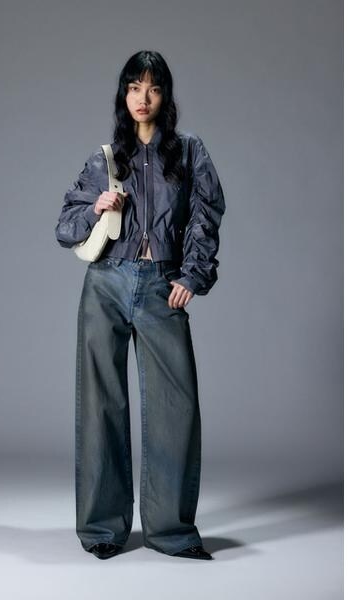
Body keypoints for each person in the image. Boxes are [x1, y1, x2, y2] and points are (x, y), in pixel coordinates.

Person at [55, 50, 226, 560]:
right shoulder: (106, 159)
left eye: (152, 87)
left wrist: (192, 274)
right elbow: (64, 226)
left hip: (161, 285)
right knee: (101, 406)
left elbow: (206, 213)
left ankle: (171, 531)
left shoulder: (189, 152)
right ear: (123, 95)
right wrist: (96, 206)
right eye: (134, 87)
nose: (142, 98)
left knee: (176, 407)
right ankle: (102, 530)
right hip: (106, 284)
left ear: (165, 95)